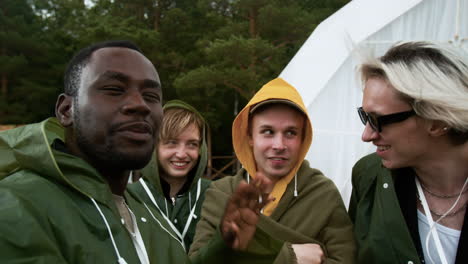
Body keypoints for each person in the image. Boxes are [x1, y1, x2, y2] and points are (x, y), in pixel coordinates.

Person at [0, 40, 281, 263]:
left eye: (151, 96)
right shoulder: (17, 207)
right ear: (66, 110)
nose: (140, 105)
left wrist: (226, 249)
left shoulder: (152, 219)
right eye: (113, 89)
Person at [189, 78, 356, 263]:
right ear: (250, 136)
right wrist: (287, 257)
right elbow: (198, 261)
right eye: (268, 132)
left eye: (290, 133)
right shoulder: (222, 193)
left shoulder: (323, 194)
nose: (279, 145)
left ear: (303, 139)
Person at [349, 41, 468, 264]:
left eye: (377, 120)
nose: (367, 135)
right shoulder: (369, 176)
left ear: (437, 121)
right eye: (365, 117)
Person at [128, 100, 211, 250]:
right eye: (172, 143)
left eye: (192, 144)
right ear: (154, 146)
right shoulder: (130, 198)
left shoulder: (214, 194)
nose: (181, 154)